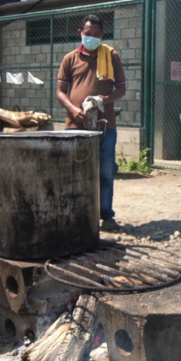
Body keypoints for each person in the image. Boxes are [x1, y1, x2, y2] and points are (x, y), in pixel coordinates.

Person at [55, 14, 126, 232]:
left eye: (96, 35)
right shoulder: (70, 59)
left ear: (102, 35)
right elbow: (60, 92)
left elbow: (121, 89)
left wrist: (105, 100)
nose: (92, 38)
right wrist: (74, 109)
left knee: (105, 172)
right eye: (88, 34)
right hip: (75, 124)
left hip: (105, 125)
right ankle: (76, 214)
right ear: (80, 33)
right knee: (74, 172)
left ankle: (106, 215)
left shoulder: (111, 56)